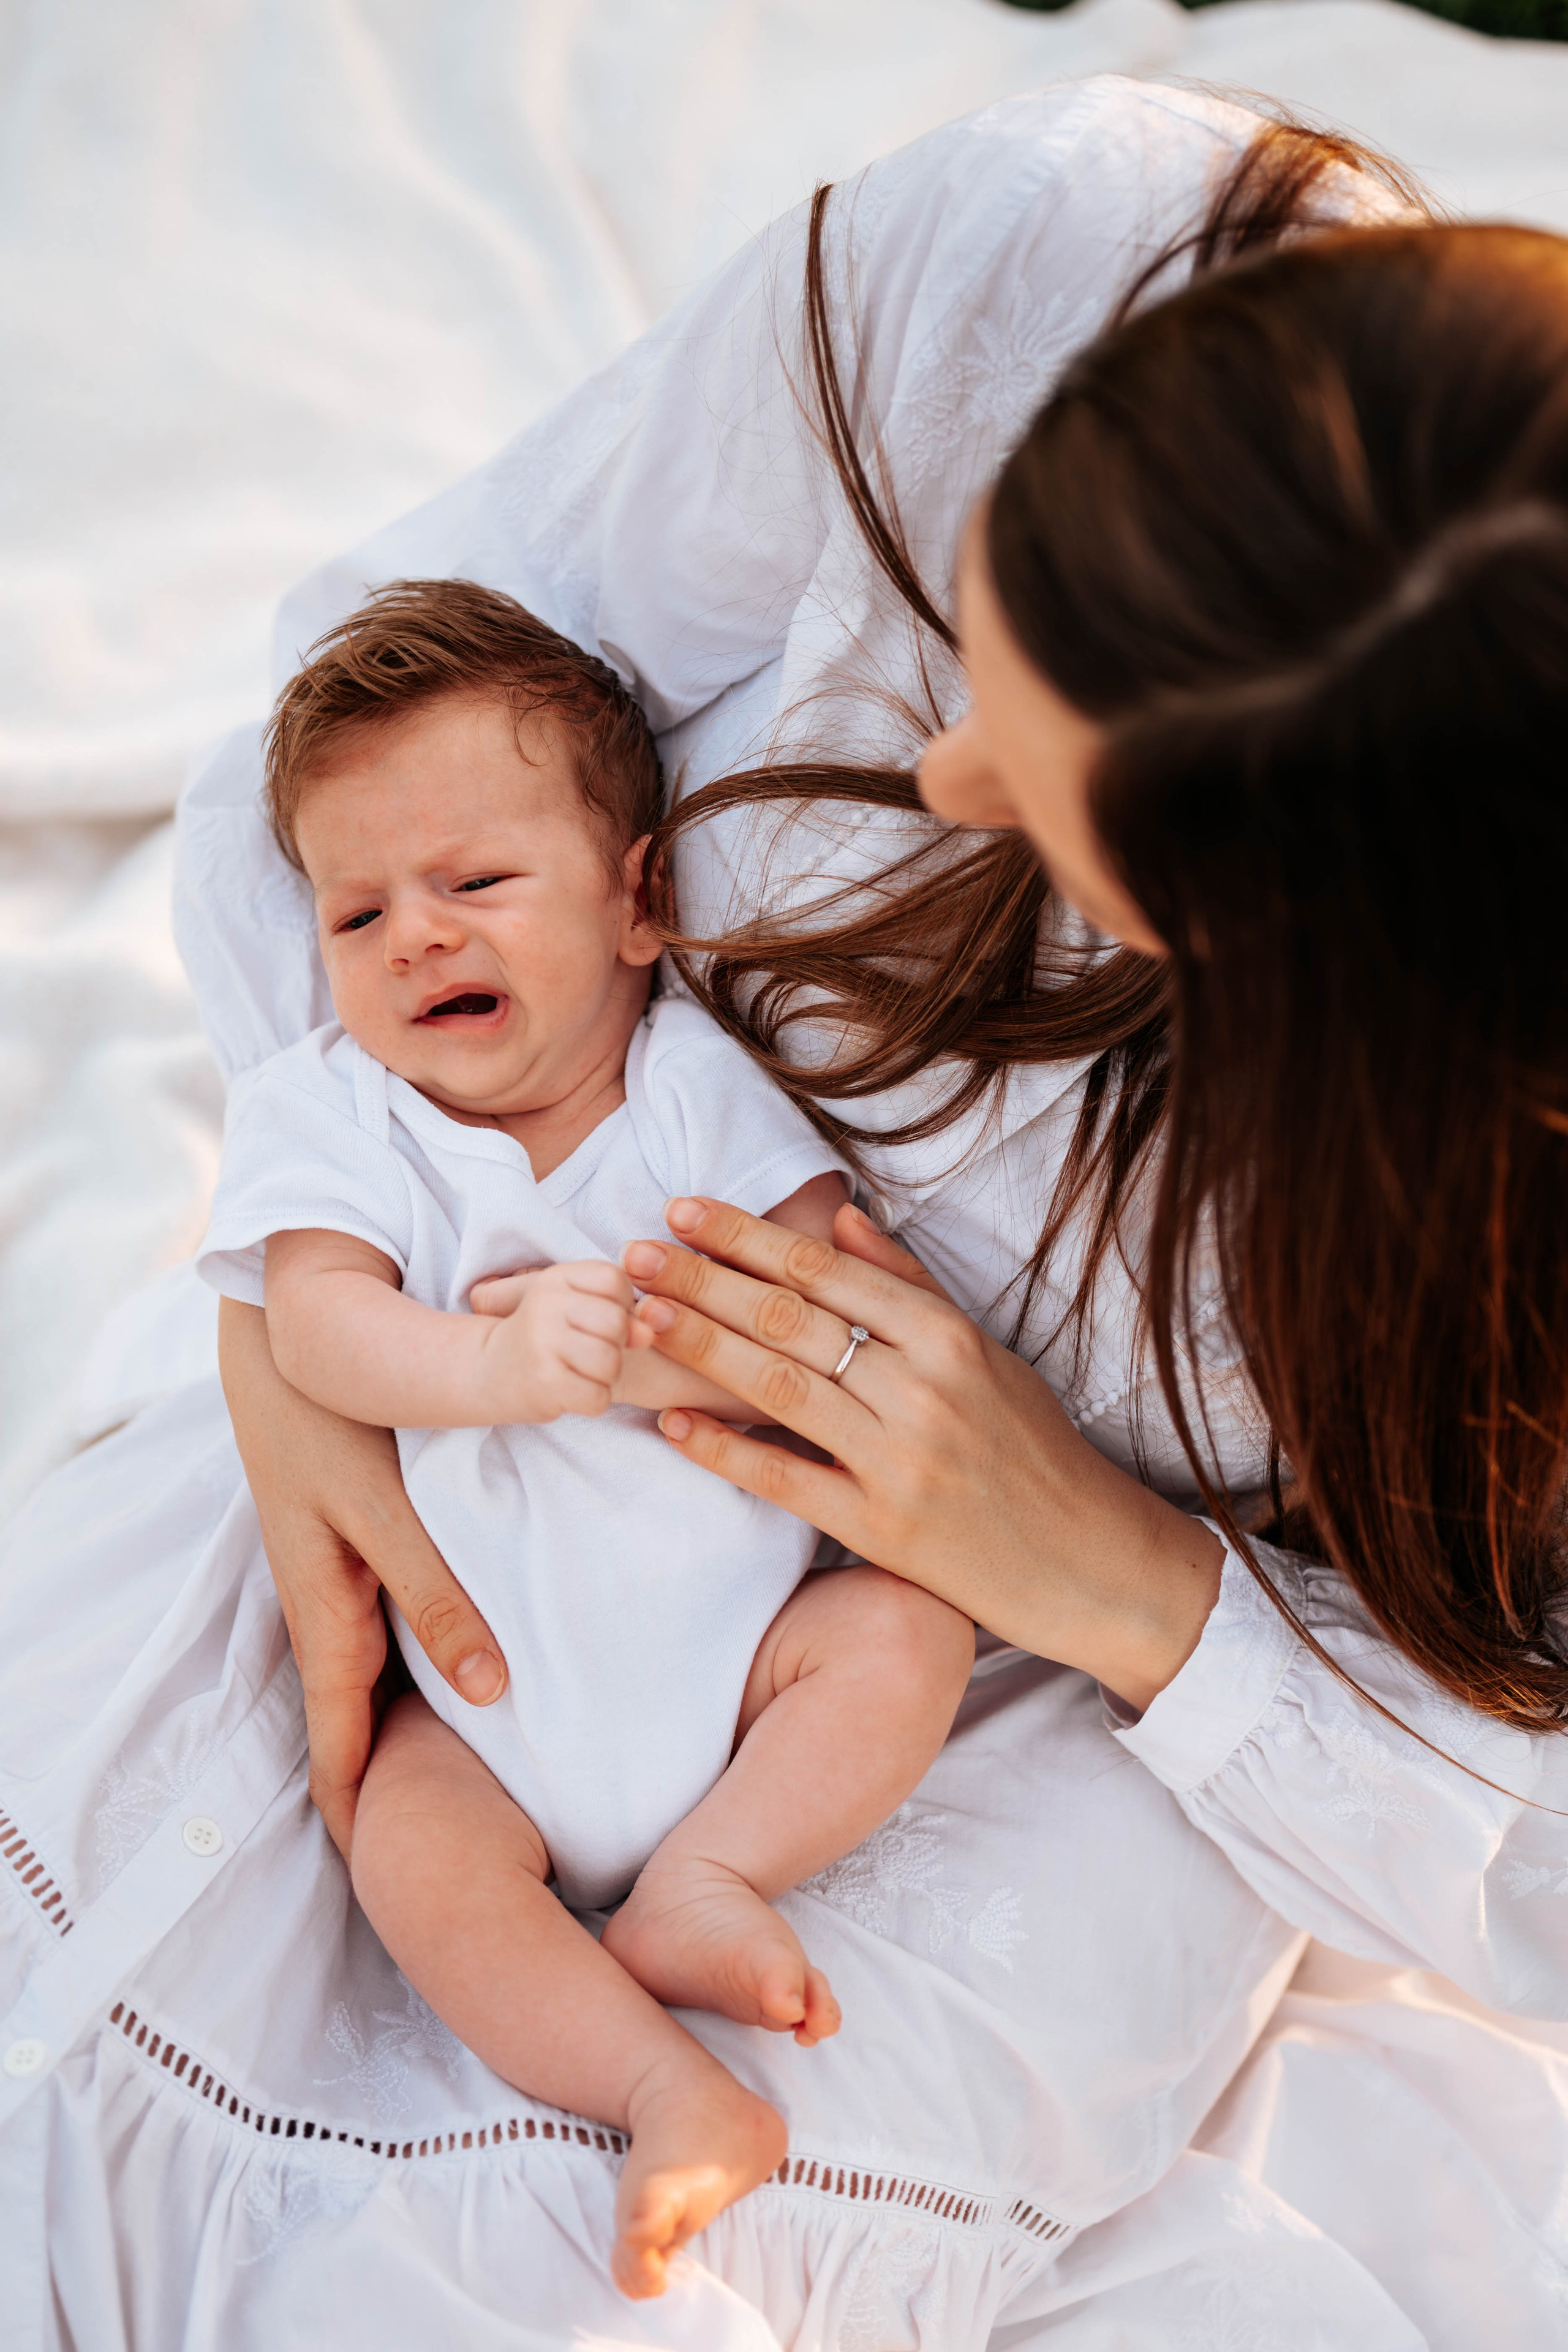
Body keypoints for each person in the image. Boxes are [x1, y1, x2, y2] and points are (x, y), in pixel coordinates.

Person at [2, 74, 1564, 2352]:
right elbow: (406, 703)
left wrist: (1102, 1577)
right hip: (481, 1411)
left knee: (568, 2273)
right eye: (980, 649)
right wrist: (307, 1303)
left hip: (1065, 1693)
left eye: (1053, 793)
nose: (937, 779)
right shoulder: (1041, 281)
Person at [198, 576, 972, 2296]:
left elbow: (837, 1305)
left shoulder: (694, 1087)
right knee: (402, 1838)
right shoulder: (336, 1109)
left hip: (751, 1666)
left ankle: (713, 1871)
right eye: (356, 911)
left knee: (906, 1633)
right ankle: (666, 2090)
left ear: (637, 907)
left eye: (475, 883)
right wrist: (495, 1370)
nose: (414, 937)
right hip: (480, 1726)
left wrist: (701, 1348)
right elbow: (314, 1322)